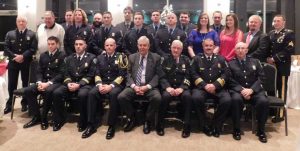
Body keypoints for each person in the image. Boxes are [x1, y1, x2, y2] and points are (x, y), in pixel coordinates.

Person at [82, 38, 127, 139]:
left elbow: (122, 75)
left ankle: (111, 125)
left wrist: (111, 86)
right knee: (92, 93)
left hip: (115, 85)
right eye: (107, 45)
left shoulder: (121, 57)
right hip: (102, 84)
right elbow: (96, 73)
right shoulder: (99, 57)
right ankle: (91, 125)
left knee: (113, 94)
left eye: (111, 45)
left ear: (115, 46)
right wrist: (99, 85)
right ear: (104, 46)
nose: (109, 47)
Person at [118, 36, 162, 134]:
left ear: (149, 46)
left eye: (144, 45)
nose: (142, 47)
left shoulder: (156, 57)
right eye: (140, 45)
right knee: (121, 97)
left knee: (157, 98)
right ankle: (132, 117)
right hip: (134, 86)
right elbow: (128, 74)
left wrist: (147, 87)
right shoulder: (132, 57)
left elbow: (158, 75)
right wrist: (134, 86)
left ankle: (147, 120)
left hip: (149, 87)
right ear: (137, 46)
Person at [52, 37, 96, 132]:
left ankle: (83, 121)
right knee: (57, 93)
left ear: (85, 46)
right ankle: (59, 119)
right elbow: (65, 73)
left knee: (82, 95)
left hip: (84, 85)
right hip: (70, 84)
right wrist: (68, 83)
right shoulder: (69, 58)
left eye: (80, 44)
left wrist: (79, 84)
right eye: (76, 44)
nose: (78, 46)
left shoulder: (91, 58)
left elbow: (90, 75)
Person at [228, 42, 269, 143]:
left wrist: (251, 90)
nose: (241, 50)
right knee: (235, 100)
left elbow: (262, 78)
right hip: (238, 91)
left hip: (254, 90)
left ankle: (261, 131)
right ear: (235, 50)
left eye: (243, 48)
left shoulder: (255, 61)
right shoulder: (230, 63)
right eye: (238, 48)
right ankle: (236, 129)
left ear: (247, 50)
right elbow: (229, 80)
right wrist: (242, 90)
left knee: (263, 101)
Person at [23, 36, 66, 130]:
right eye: (49, 44)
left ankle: (44, 118)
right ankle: (36, 116)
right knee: (28, 90)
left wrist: (48, 83)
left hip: (56, 83)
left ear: (57, 44)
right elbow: (39, 71)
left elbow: (61, 74)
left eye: (52, 44)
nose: (50, 46)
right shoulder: (43, 55)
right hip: (42, 82)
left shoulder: (62, 55)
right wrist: (39, 82)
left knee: (48, 91)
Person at [190, 38, 231, 138]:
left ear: (214, 47)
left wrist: (215, 85)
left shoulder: (221, 59)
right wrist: (205, 85)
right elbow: (193, 74)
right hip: (201, 88)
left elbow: (226, 74)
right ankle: (204, 125)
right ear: (203, 47)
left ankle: (216, 125)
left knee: (227, 100)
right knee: (196, 98)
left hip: (217, 88)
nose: (208, 47)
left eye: (210, 45)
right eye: (206, 45)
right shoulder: (196, 59)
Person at [157, 40, 192, 138]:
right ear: (171, 48)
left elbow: (189, 76)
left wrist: (182, 88)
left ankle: (187, 126)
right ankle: (159, 124)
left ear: (181, 50)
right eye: (174, 48)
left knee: (188, 97)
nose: (176, 50)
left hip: (182, 88)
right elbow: (161, 75)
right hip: (168, 88)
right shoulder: (164, 59)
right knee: (164, 97)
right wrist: (167, 87)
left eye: (178, 48)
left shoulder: (186, 60)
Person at [3, 16, 37, 114]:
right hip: (13, 63)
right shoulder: (10, 34)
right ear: (16, 22)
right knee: (11, 84)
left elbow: (33, 49)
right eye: (19, 21)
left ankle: (24, 103)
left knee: (25, 83)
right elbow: (6, 48)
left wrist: (22, 56)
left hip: (26, 63)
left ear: (26, 23)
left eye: (23, 21)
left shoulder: (32, 34)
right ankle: (10, 104)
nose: (21, 23)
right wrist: (15, 56)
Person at [266, 15, 295, 99]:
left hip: (282, 66)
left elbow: (289, 49)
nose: (276, 23)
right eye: (274, 21)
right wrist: (268, 58)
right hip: (271, 66)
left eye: (278, 21)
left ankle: (281, 111)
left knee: (281, 89)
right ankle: (272, 111)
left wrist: (274, 58)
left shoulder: (289, 33)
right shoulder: (271, 33)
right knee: (271, 88)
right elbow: (268, 48)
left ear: (284, 22)